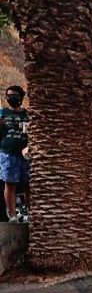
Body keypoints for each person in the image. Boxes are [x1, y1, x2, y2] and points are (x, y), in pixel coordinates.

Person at [0, 84, 30, 222]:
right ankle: (12, 215)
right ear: (6, 97)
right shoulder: (3, 114)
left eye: (16, 96)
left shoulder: (27, 115)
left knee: (28, 184)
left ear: (21, 98)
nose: (13, 98)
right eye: (10, 95)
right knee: (10, 183)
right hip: (8, 152)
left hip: (26, 154)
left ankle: (31, 213)